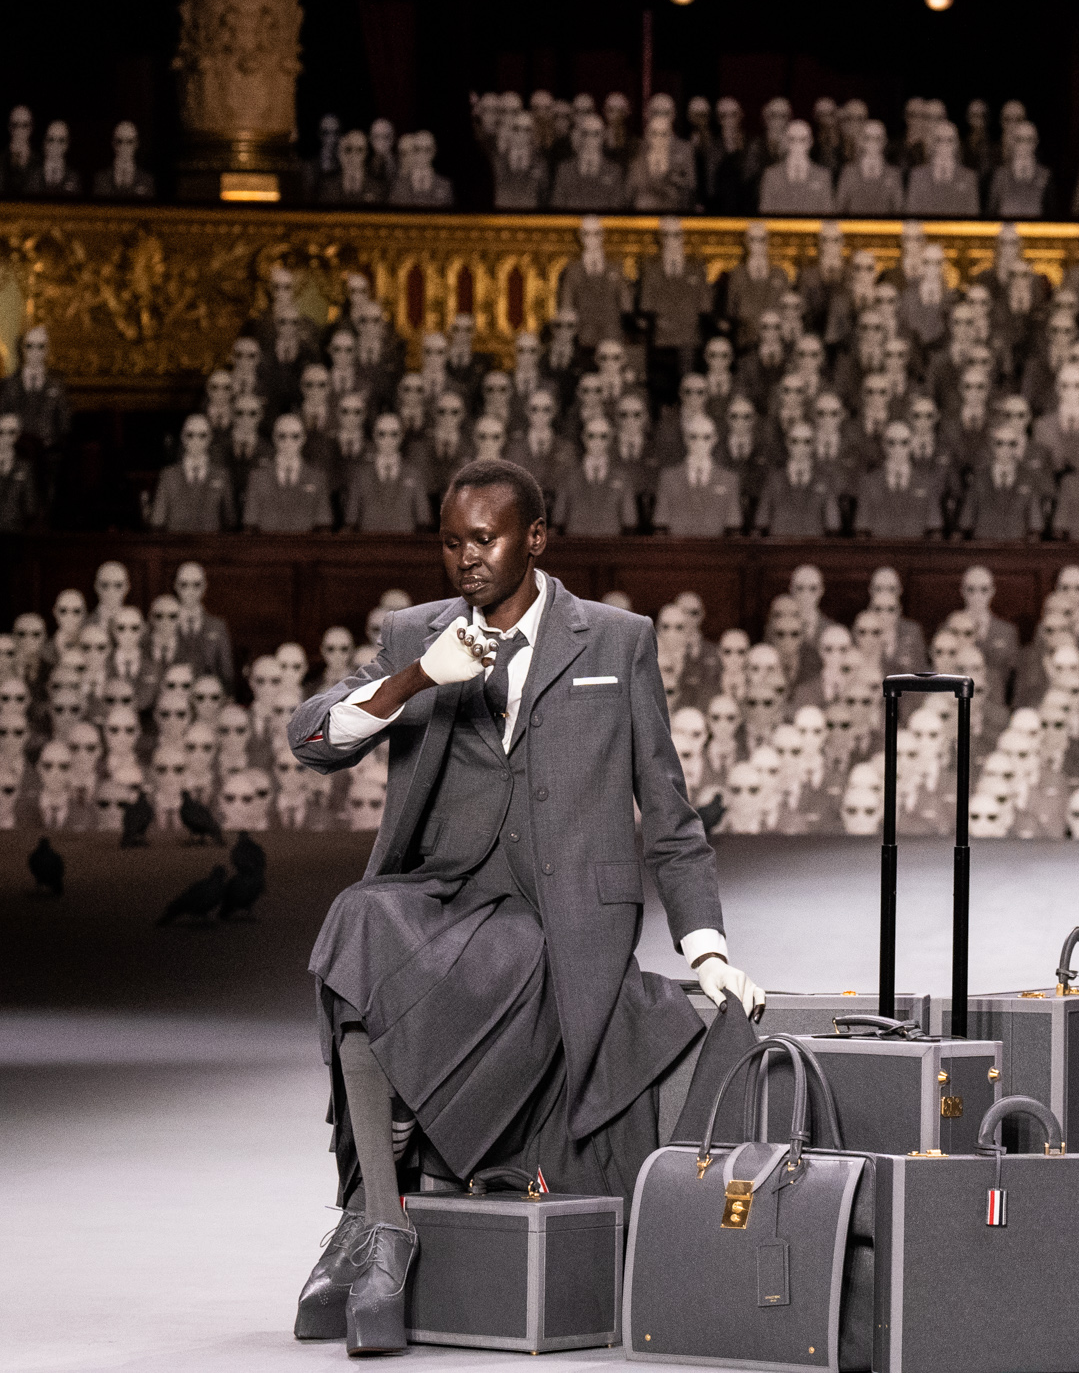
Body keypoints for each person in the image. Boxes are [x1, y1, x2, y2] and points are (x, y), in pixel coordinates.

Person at [286, 462, 767, 1354]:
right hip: (444, 895)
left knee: (384, 946)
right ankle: (385, 1227)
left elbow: (666, 809)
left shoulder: (615, 640)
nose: (464, 557)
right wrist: (412, 681)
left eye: (484, 539)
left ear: (534, 539)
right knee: (358, 920)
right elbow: (310, 738)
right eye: (450, 540)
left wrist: (705, 947)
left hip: (554, 925)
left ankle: (370, 1219)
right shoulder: (416, 634)